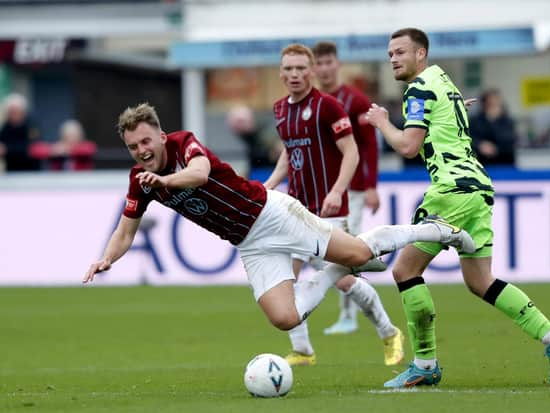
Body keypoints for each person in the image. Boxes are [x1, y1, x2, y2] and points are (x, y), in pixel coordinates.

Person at [83, 102, 475, 348]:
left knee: (361, 254)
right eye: (134, 147)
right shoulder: (140, 179)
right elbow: (125, 231)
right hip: (248, 243)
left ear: (161, 135)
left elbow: (200, 174)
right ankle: (330, 273)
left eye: (146, 141)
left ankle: (433, 230)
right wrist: (106, 259)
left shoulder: (184, 144)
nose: (142, 151)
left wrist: (166, 181)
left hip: (270, 213)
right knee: (284, 318)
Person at [365, 28, 550, 387]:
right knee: (480, 281)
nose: (394, 59)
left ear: (420, 54)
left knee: (405, 271)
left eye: (401, 52)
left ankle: (425, 365)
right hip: (479, 189)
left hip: (451, 191)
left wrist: (382, 122)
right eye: (390, 54)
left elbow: (408, 147)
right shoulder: (443, 80)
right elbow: (451, 109)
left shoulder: (418, 89)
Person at [264, 43, 404, 367]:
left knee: (344, 281)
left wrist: (337, 191)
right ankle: (303, 350)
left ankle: (388, 331)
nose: (296, 74)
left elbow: (352, 151)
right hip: (293, 210)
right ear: (281, 73)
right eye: (290, 69)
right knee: (284, 278)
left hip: (328, 212)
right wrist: (270, 184)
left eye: (302, 68)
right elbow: (289, 153)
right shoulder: (280, 109)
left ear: (311, 71)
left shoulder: (328, 107)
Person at [312, 40, 381, 336]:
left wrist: (371, 186)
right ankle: (372, 260)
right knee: (322, 252)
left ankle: (349, 315)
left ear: (337, 64)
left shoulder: (355, 100)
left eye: (329, 62)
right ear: (314, 68)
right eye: (320, 63)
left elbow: (368, 146)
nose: (325, 68)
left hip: (350, 189)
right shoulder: (309, 101)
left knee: (342, 252)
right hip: (318, 191)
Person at [469, 88, 517, 165]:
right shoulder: (475, 120)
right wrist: (480, 145)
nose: (494, 106)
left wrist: (493, 122)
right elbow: (470, 138)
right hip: (482, 162)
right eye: (490, 104)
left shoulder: (507, 121)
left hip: (504, 162)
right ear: (484, 104)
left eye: (496, 103)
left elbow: (509, 140)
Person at [29, 119, 97, 170]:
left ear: (80, 135)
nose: (71, 138)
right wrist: (52, 150)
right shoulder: (58, 148)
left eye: (74, 135)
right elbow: (34, 150)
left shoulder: (85, 146)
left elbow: (90, 149)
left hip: (81, 183)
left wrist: (68, 150)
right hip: (59, 183)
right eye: (68, 135)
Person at [0, 93, 40, 171]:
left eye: (15, 111)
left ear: (22, 112)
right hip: (12, 170)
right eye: (10, 112)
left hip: (31, 170)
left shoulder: (31, 126)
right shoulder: (6, 126)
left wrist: (7, 149)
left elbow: (31, 147)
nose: (12, 115)